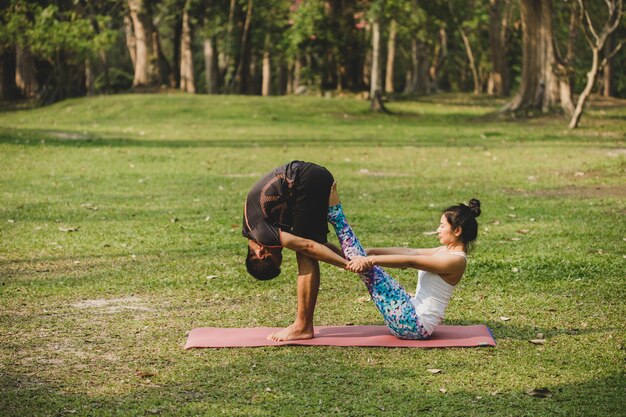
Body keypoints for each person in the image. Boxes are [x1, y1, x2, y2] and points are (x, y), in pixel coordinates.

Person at [327, 183, 481, 339]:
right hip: (411, 312)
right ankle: (334, 218)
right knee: (366, 264)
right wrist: (372, 251)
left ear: (457, 231)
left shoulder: (455, 261)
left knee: (369, 270)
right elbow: (410, 251)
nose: (438, 230)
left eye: (442, 226)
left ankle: (336, 215)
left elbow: (411, 261)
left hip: (415, 325)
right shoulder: (444, 251)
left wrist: (371, 260)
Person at [242, 161, 348, 341]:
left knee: (305, 254)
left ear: (261, 253)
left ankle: (302, 326)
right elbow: (315, 245)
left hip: (304, 180)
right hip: (309, 178)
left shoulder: (261, 234)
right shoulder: (256, 230)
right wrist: (350, 259)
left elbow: (308, 247)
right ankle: (368, 257)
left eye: (278, 255)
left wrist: (347, 265)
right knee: (312, 249)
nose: (281, 251)